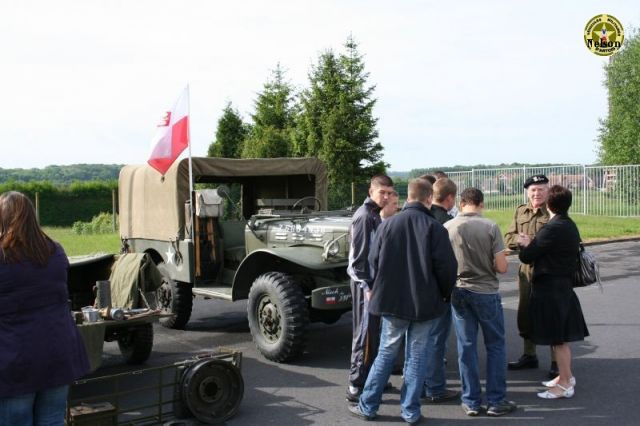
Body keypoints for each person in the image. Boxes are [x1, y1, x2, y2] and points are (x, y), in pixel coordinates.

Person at [348, 179, 457, 424]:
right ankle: (410, 411)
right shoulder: (435, 228)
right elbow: (447, 269)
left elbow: (373, 262)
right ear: (429, 198)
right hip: (425, 304)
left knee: (385, 353)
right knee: (417, 357)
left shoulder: (387, 225)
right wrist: (443, 294)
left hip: (391, 302)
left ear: (408, 197)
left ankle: (368, 406)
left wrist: (380, 288)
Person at [0, 191, 90, 425]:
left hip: (15, 359)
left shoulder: (4, 256)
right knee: (52, 420)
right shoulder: (55, 250)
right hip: (57, 352)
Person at [446, 188, 516, 416]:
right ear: (481, 203)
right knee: (495, 346)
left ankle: (471, 401)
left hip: (459, 290)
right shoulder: (490, 227)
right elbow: (502, 267)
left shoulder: (447, 227)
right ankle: (496, 400)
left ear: (461, 202)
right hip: (485, 291)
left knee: (466, 347)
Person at [518, 185, 589, 399]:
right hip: (563, 287)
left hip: (551, 289)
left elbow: (527, 257)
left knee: (558, 340)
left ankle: (565, 384)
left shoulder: (552, 227)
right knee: (562, 339)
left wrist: (526, 244)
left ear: (550, 203)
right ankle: (565, 376)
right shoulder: (568, 224)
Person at [347, 175, 395, 402]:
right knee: (364, 335)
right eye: (381, 193)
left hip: (376, 286)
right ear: (371, 192)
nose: (386, 197)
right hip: (365, 287)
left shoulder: (375, 214)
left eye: (389, 193)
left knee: (375, 335)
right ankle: (356, 385)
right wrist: (368, 288)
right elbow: (358, 262)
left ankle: (373, 380)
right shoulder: (365, 217)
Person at [504, 174, 558, 378]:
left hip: (548, 271)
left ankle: (556, 360)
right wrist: (520, 239)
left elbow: (558, 238)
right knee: (526, 313)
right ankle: (529, 354)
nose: (537, 193)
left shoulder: (554, 211)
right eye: (533, 190)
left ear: (548, 191)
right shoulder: (520, 210)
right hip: (527, 271)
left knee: (550, 315)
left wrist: (532, 242)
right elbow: (508, 237)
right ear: (527, 192)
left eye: (541, 190)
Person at [422, 177, 460, 403]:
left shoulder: (421, 217)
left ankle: (417, 385)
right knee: (437, 341)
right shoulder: (446, 222)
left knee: (418, 341)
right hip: (439, 291)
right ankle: (435, 387)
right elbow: (448, 264)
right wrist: (447, 292)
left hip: (419, 290)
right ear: (450, 198)